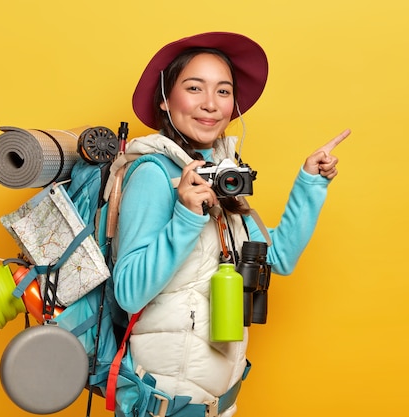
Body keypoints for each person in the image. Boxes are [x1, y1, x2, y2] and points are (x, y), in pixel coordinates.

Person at [111, 32, 350, 417]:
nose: (210, 104)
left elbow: (279, 258)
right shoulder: (154, 175)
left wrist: (310, 182)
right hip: (164, 404)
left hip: (216, 404)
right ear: (164, 99)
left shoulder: (223, 178)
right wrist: (186, 217)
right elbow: (129, 292)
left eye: (223, 92)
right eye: (194, 88)